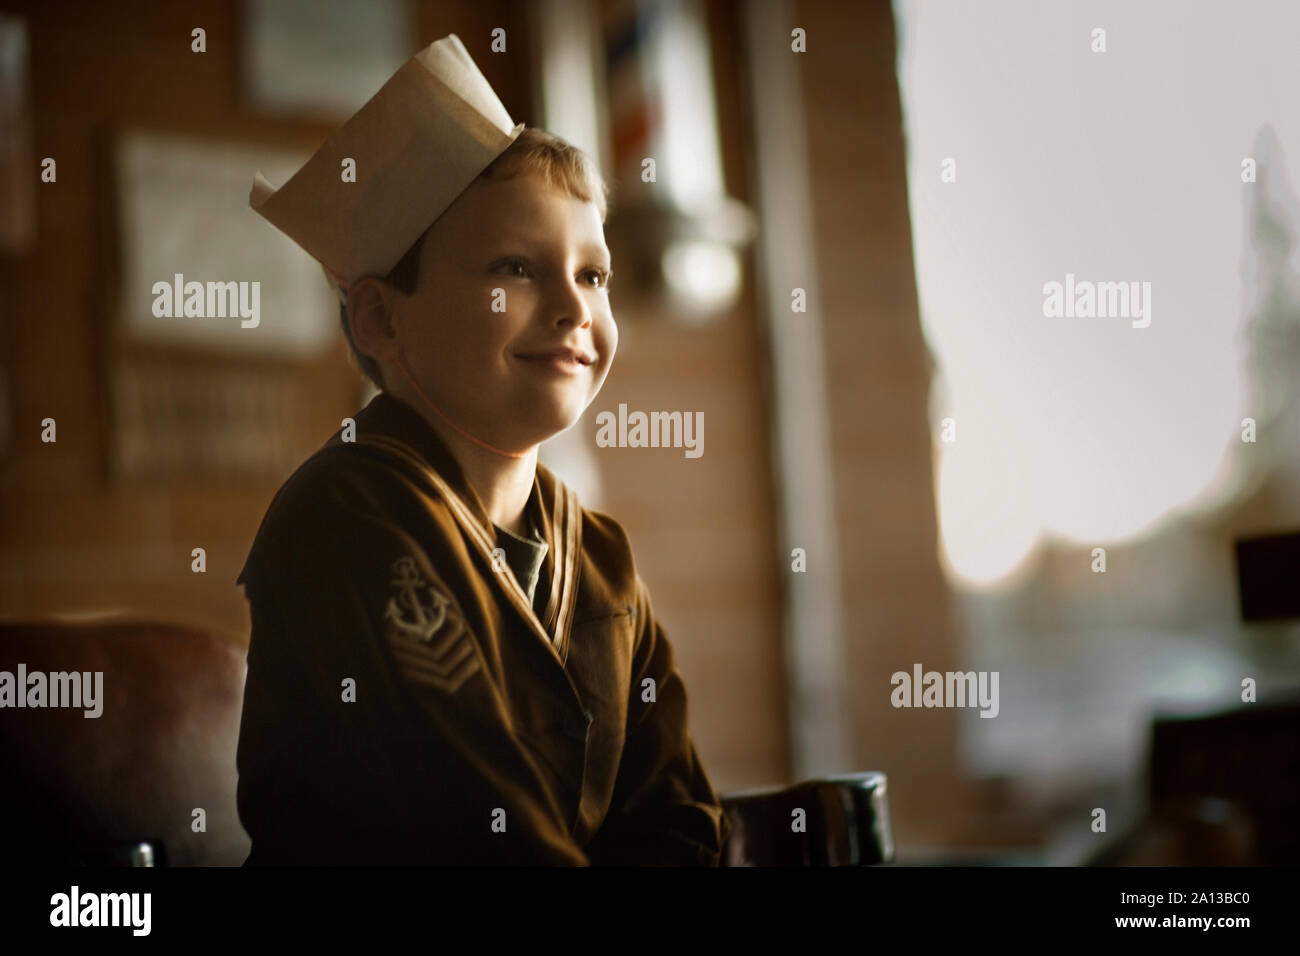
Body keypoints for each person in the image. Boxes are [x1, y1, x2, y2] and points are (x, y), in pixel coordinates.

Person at [234, 34, 730, 865]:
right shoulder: (346, 521)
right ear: (381, 319)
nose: (576, 307)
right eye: (517, 267)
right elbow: (478, 831)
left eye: (594, 275)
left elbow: (676, 819)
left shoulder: (600, 555)